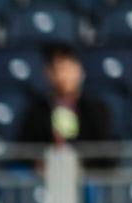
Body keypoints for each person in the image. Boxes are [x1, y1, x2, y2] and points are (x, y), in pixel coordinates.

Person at [17, 42, 116, 170]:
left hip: (86, 181)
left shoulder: (96, 110)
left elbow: (105, 155)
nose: (62, 75)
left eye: (66, 67)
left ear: (78, 70)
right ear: (47, 73)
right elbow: (23, 152)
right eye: (56, 69)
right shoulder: (36, 111)